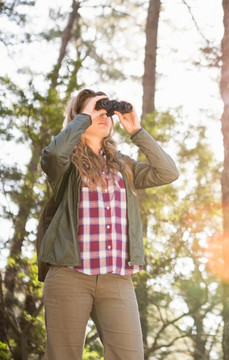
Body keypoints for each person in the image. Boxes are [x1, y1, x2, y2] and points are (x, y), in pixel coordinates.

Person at [37, 88, 179, 359]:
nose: (103, 116)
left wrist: (136, 130)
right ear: (80, 118)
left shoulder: (122, 165)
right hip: (70, 273)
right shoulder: (65, 164)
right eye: (95, 111)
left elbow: (168, 172)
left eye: (107, 113)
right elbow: (53, 156)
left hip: (117, 278)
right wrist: (83, 118)